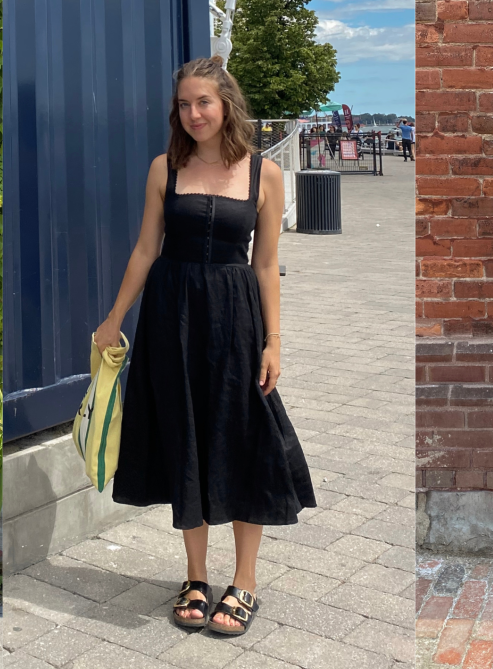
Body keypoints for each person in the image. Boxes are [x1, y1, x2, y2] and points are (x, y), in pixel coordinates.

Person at [93, 55, 316, 637]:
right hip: (171, 317)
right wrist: (115, 316)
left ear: (226, 104)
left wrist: (274, 342)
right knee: (185, 438)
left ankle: (244, 583)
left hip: (236, 318)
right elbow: (146, 249)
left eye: (204, 102)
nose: (193, 114)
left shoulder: (263, 173)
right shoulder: (163, 168)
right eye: (185, 105)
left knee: (243, 439)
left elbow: (266, 265)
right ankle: (195, 576)